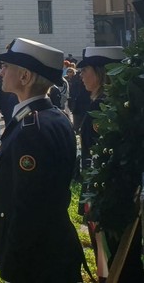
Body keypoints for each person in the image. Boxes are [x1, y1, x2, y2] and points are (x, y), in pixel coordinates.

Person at [0, 38, 86, 282]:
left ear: (25, 77)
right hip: (53, 249)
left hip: (38, 260)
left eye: (7, 67)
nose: (1, 72)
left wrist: (13, 261)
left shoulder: (32, 129)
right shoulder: (52, 115)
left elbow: (28, 208)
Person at [77, 46, 142, 281]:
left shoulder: (104, 107)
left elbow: (100, 157)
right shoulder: (109, 104)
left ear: (103, 72)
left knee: (115, 262)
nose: (81, 74)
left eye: (86, 70)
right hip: (106, 197)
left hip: (108, 200)